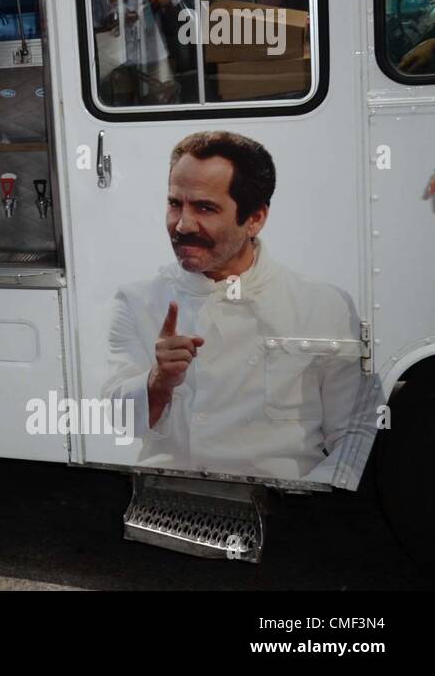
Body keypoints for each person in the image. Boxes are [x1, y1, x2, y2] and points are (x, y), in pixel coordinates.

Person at [102, 131, 379, 485]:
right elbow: (117, 421)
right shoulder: (138, 300)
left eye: (204, 208)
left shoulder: (323, 305)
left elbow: (354, 429)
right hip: (172, 500)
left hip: (287, 502)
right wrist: (159, 381)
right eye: (175, 204)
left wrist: (318, 497)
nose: (183, 225)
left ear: (255, 218)